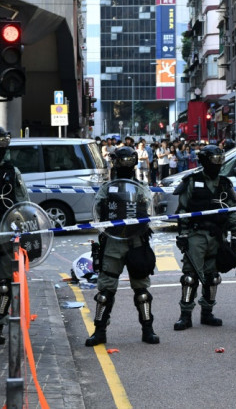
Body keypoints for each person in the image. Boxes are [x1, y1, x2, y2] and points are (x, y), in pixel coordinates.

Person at [85, 146, 159, 346]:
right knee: (105, 291)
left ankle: (148, 329)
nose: (125, 166)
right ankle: (99, 331)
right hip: (113, 242)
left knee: (142, 290)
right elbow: (98, 212)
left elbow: (150, 210)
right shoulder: (107, 188)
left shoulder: (141, 187)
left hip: (137, 242)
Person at [173, 145, 236, 331]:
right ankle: (185, 315)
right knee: (190, 277)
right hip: (196, 235)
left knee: (212, 277)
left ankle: (207, 312)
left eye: (220, 161)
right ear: (204, 161)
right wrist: (183, 235)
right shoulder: (192, 181)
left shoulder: (225, 184)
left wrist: (235, 237)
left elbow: (233, 211)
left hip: (218, 236)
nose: (217, 165)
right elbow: (183, 210)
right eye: (214, 161)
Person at [0, 127, 29, 345]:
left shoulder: (12, 172)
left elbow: (23, 203)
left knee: (5, 284)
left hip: (5, 233)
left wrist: (23, 230)